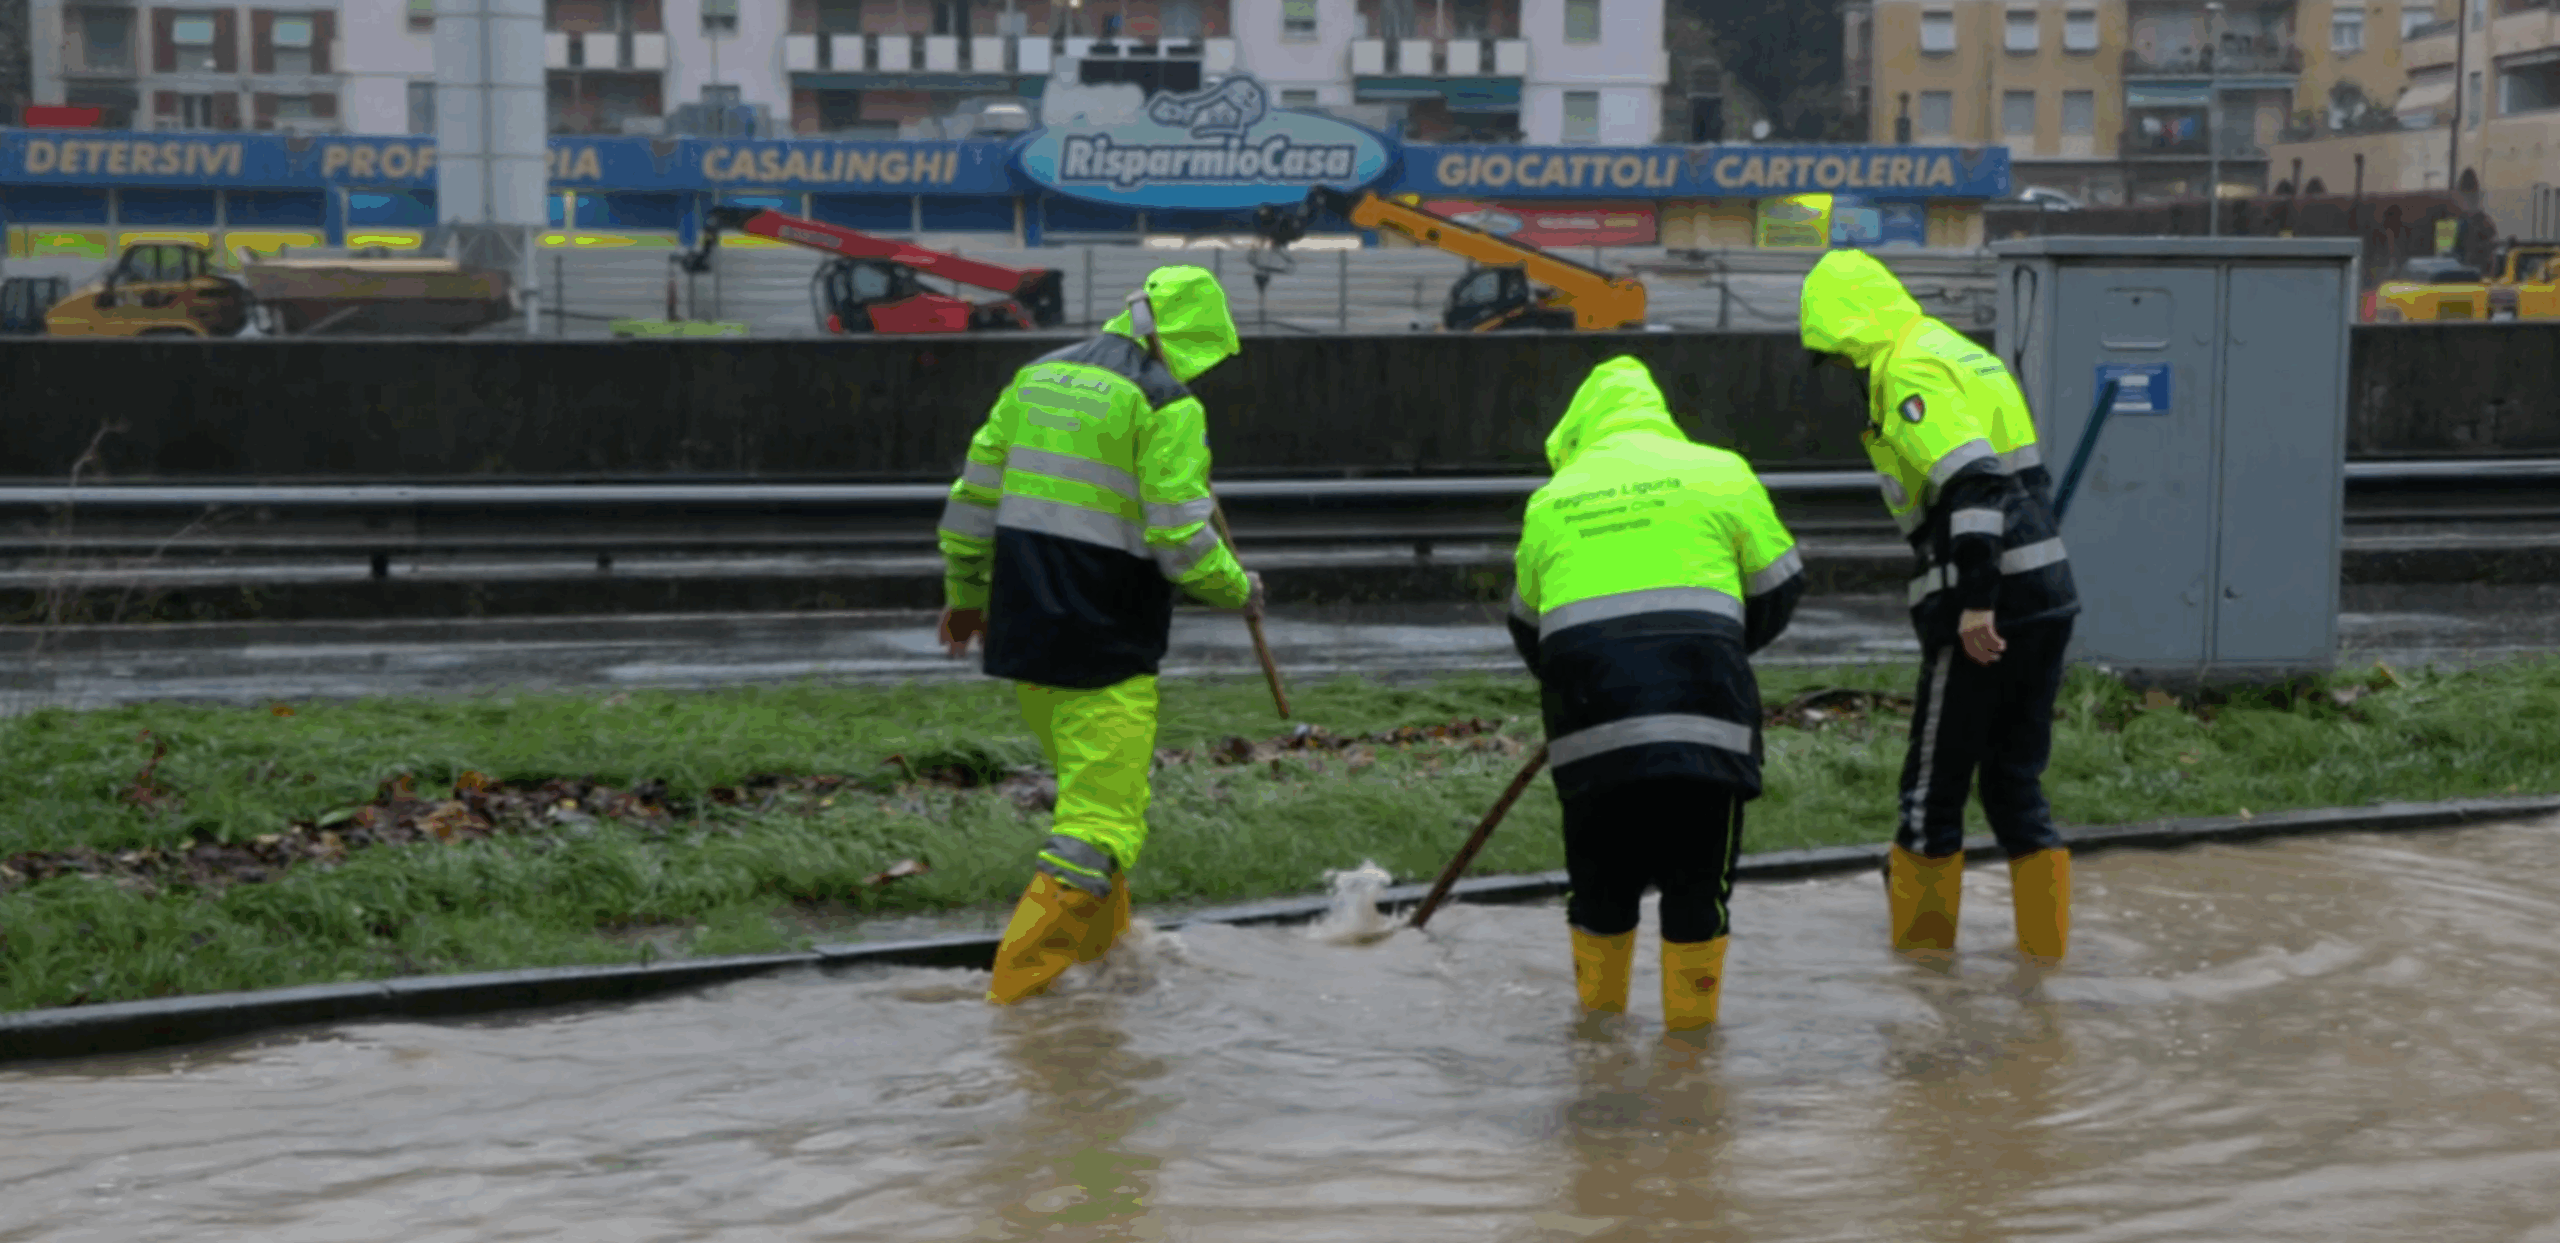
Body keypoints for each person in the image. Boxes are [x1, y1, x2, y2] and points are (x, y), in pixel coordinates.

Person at [937, 265, 1265, 1005]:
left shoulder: (1038, 376)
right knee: (1097, 830)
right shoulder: (1167, 403)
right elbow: (1182, 540)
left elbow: (970, 502)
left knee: (1093, 804)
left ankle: (1108, 974)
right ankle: (1016, 1007)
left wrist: (965, 597)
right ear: (1193, 338)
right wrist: (1241, 589)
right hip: (1107, 645)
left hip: (1025, 640)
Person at [1506, 355, 1805, 1032]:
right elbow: (1782, 582)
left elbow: (1528, 626)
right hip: (1707, 724)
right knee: (1698, 889)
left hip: (1590, 729)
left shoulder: (1553, 500)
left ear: (1580, 428)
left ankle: (1599, 1056)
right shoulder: (1721, 471)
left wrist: (1589, 686)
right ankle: (1691, 1071)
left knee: (1600, 893)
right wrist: (1718, 648)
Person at [1798, 248, 2079, 962]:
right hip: (2046, 594)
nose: (1841, 374)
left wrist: (1977, 603)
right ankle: (2043, 970)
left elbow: (1977, 483)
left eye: (1836, 357)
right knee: (2016, 785)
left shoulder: (1909, 371)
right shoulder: (1958, 352)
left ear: (1852, 332)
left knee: (1930, 796)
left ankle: (1926, 991)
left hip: (1986, 609)